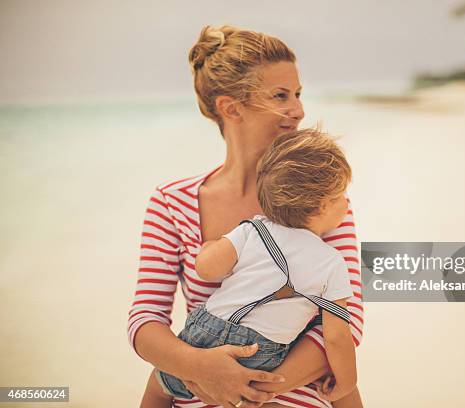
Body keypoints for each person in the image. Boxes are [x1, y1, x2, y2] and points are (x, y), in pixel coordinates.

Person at [128, 25, 364, 408]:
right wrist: (202, 368)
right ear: (230, 108)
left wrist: (250, 387)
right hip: (197, 391)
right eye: (281, 96)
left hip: (295, 394)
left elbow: (343, 327)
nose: (299, 110)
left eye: (299, 94)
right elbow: (145, 318)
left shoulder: (321, 199)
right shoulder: (171, 202)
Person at [143, 129, 357, 407]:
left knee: (159, 384)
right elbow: (337, 337)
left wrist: (209, 247)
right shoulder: (331, 262)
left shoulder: (253, 229)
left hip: (204, 330)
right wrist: (348, 381)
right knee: (348, 397)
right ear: (321, 207)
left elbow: (206, 269)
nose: (348, 203)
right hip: (263, 350)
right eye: (342, 197)